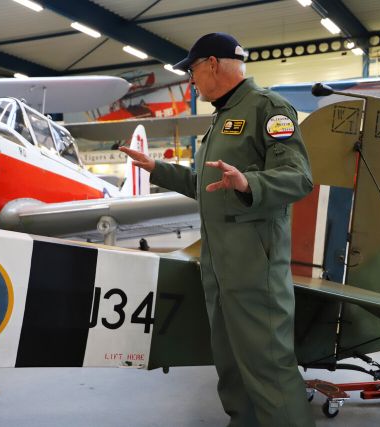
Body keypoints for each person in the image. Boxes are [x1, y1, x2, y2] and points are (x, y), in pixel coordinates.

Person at [120, 33, 315, 427]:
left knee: (269, 366)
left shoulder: (269, 109)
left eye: (192, 70)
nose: (190, 79)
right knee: (231, 366)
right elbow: (205, 185)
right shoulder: (222, 117)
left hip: (254, 268)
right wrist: (157, 169)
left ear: (212, 63)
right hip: (219, 268)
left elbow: (299, 178)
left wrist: (249, 183)